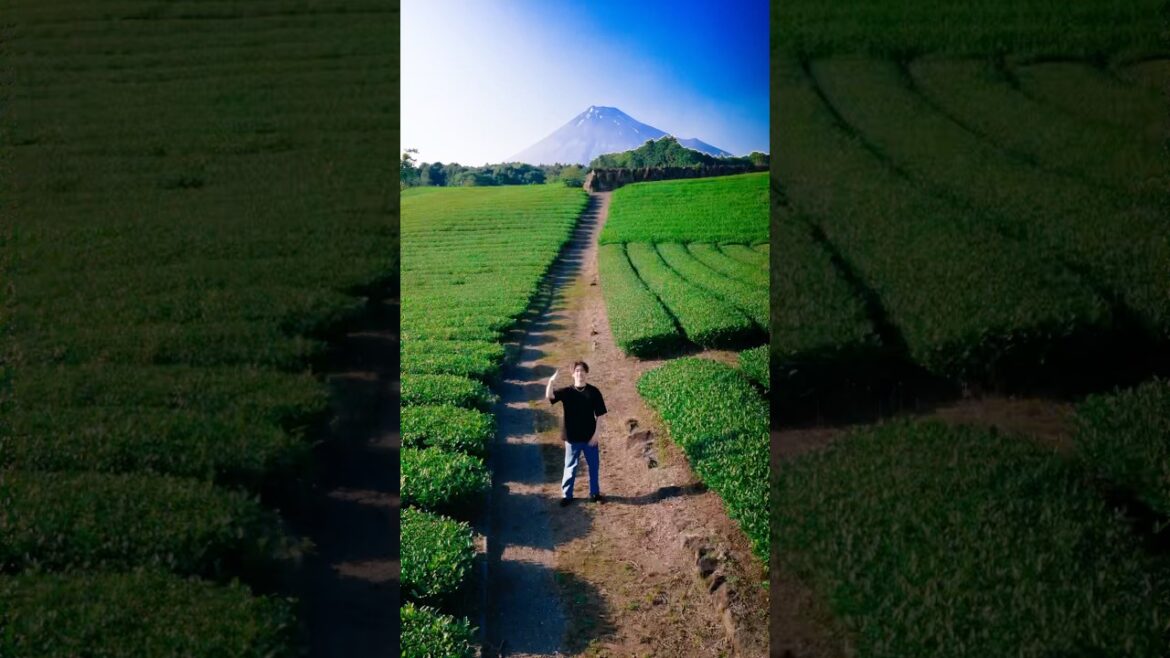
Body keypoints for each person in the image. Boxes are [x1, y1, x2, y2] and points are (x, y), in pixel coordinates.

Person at [546, 360, 607, 506]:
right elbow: (550, 396)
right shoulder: (567, 392)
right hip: (572, 437)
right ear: (573, 374)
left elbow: (600, 415)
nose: (580, 373)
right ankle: (567, 495)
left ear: (586, 373)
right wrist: (551, 381)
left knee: (593, 466)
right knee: (570, 466)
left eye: (582, 371)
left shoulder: (594, 392)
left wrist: (596, 434)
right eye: (577, 371)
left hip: (590, 438)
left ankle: (594, 493)